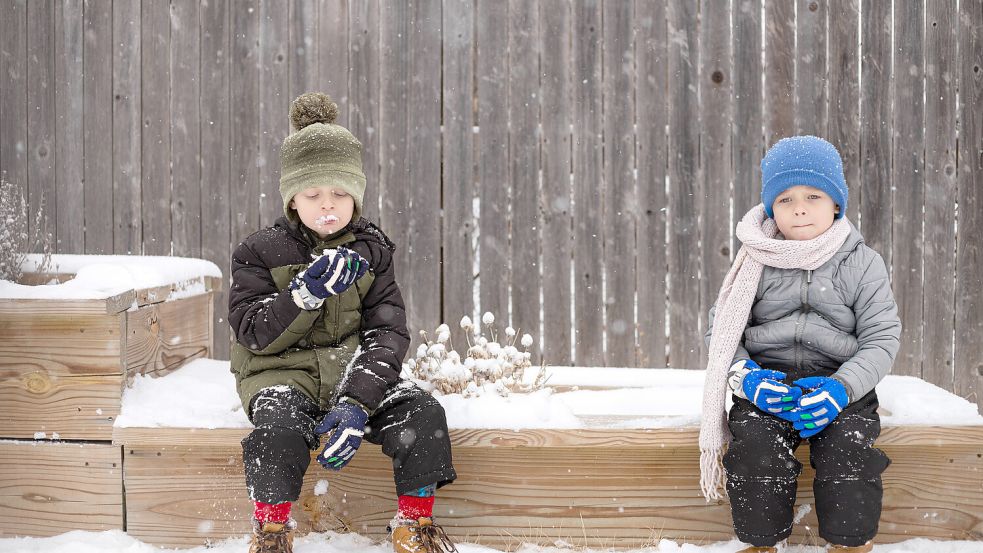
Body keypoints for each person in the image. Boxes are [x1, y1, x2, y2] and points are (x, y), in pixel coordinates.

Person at [229, 92, 458, 553]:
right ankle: (271, 533)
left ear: (356, 196)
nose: (327, 206)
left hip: (354, 374)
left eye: (340, 194)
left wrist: (357, 402)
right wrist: (303, 296)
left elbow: (387, 331)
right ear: (293, 198)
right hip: (282, 377)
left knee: (423, 413)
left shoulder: (371, 253)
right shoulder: (258, 252)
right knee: (275, 434)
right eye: (313, 194)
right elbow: (252, 330)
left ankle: (415, 526)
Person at [699, 136, 901, 553]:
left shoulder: (861, 262)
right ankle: (761, 544)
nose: (800, 208)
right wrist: (746, 378)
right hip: (767, 381)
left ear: (836, 204)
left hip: (839, 382)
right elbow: (722, 332)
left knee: (850, 452)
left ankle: (849, 544)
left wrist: (843, 388)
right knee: (755, 450)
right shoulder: (755, 258)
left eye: (813, 195)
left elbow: (881, 338)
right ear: (771, 208)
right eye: (785, 199)